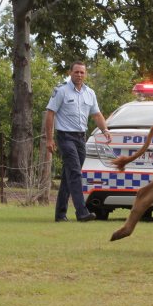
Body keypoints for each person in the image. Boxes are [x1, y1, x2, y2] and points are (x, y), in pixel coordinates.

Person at [44, 61, 111, 222]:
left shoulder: (90, 93)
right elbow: (50, 113)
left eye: (82, 72)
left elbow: (96, 115)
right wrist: (49, 139)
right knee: (75, 172)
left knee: (69, 176)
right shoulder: (61, 91)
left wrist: (105, 130)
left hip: (81, 138)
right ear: (70, 72)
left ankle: (60, 214)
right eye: (76, 72)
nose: (79, 75)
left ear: (85, 74)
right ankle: (82, 212)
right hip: (65, 137)